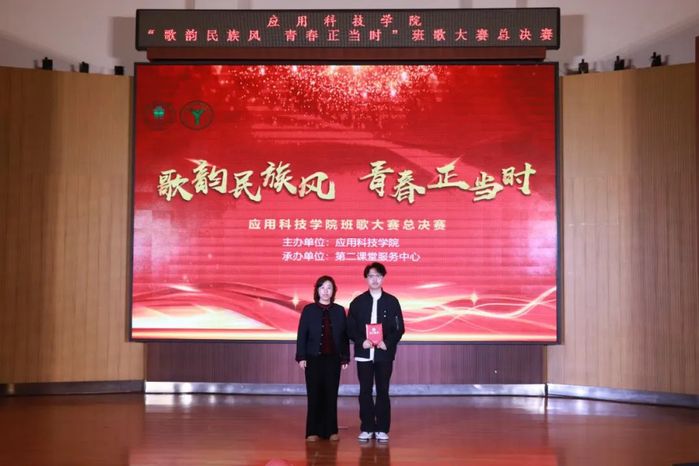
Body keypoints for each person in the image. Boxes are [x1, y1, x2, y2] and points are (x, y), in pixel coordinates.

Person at [347, 262, 405, 443]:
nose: (374, 279)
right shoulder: (357, 302)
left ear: (383, 278)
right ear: (366, 278)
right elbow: (350, 328)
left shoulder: (392, 301)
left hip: (383, 354)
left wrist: (387, 342)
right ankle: (367, 427)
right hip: (364, 353)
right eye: (371, 276)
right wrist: (360, 341)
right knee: (364, 391)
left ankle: (381, 429)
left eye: (378, 276)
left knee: (382, 390)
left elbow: (399, 328)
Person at [295, 275, 349, 442]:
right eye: (322, 288)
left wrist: (345, 357)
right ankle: (312, 431)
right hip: (313, 359)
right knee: (314, 394)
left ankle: (331, 430)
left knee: (331, 394)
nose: (326, 291)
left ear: (333, 291)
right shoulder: (309, 310)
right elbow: (302, 335)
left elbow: (344, 336)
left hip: (333, 359)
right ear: (317, 290)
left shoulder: (339, 310)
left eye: (329, 288)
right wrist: (301, 356)